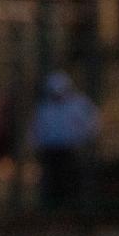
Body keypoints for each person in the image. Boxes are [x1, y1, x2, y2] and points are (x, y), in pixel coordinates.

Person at [30, 71, 98, 212]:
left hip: (72, 150)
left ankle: (73, 207)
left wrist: (85, 139)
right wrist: (37, 145)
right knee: (51, 180)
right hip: (50, 151)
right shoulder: (45, 108)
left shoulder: (79, 104)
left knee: (71, 179)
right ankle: (51, 209)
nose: (58, 96)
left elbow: (92, 124)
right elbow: (37, 130)